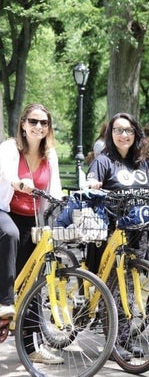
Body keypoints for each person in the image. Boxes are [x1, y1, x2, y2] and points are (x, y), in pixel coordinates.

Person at [85, 112, 149, 361]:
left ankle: (124, 338)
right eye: (117, 130)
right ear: (110, 134)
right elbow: (91, 180)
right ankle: (113, 343)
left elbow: (147, 191)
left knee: (130, 287)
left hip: (137, 231)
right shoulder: (104, 161)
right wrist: (93, 184)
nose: (123, 135)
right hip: (112, 232)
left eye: (128, 130)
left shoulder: (140, 163)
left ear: (135, 133)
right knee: (113, 287)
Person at [0, 104, 63, 364]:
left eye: (44, 123)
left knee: (34, 281)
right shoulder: (9, 148)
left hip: (33, 221)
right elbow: (6, 173)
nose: (39, 127)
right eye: (33, 122)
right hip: (5, 212)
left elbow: (55, 190)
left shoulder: (50, 155)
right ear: (23, 124)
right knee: (10, 234)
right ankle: (5, 302)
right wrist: (18, 182)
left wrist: (65, 203)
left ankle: (32, 347)